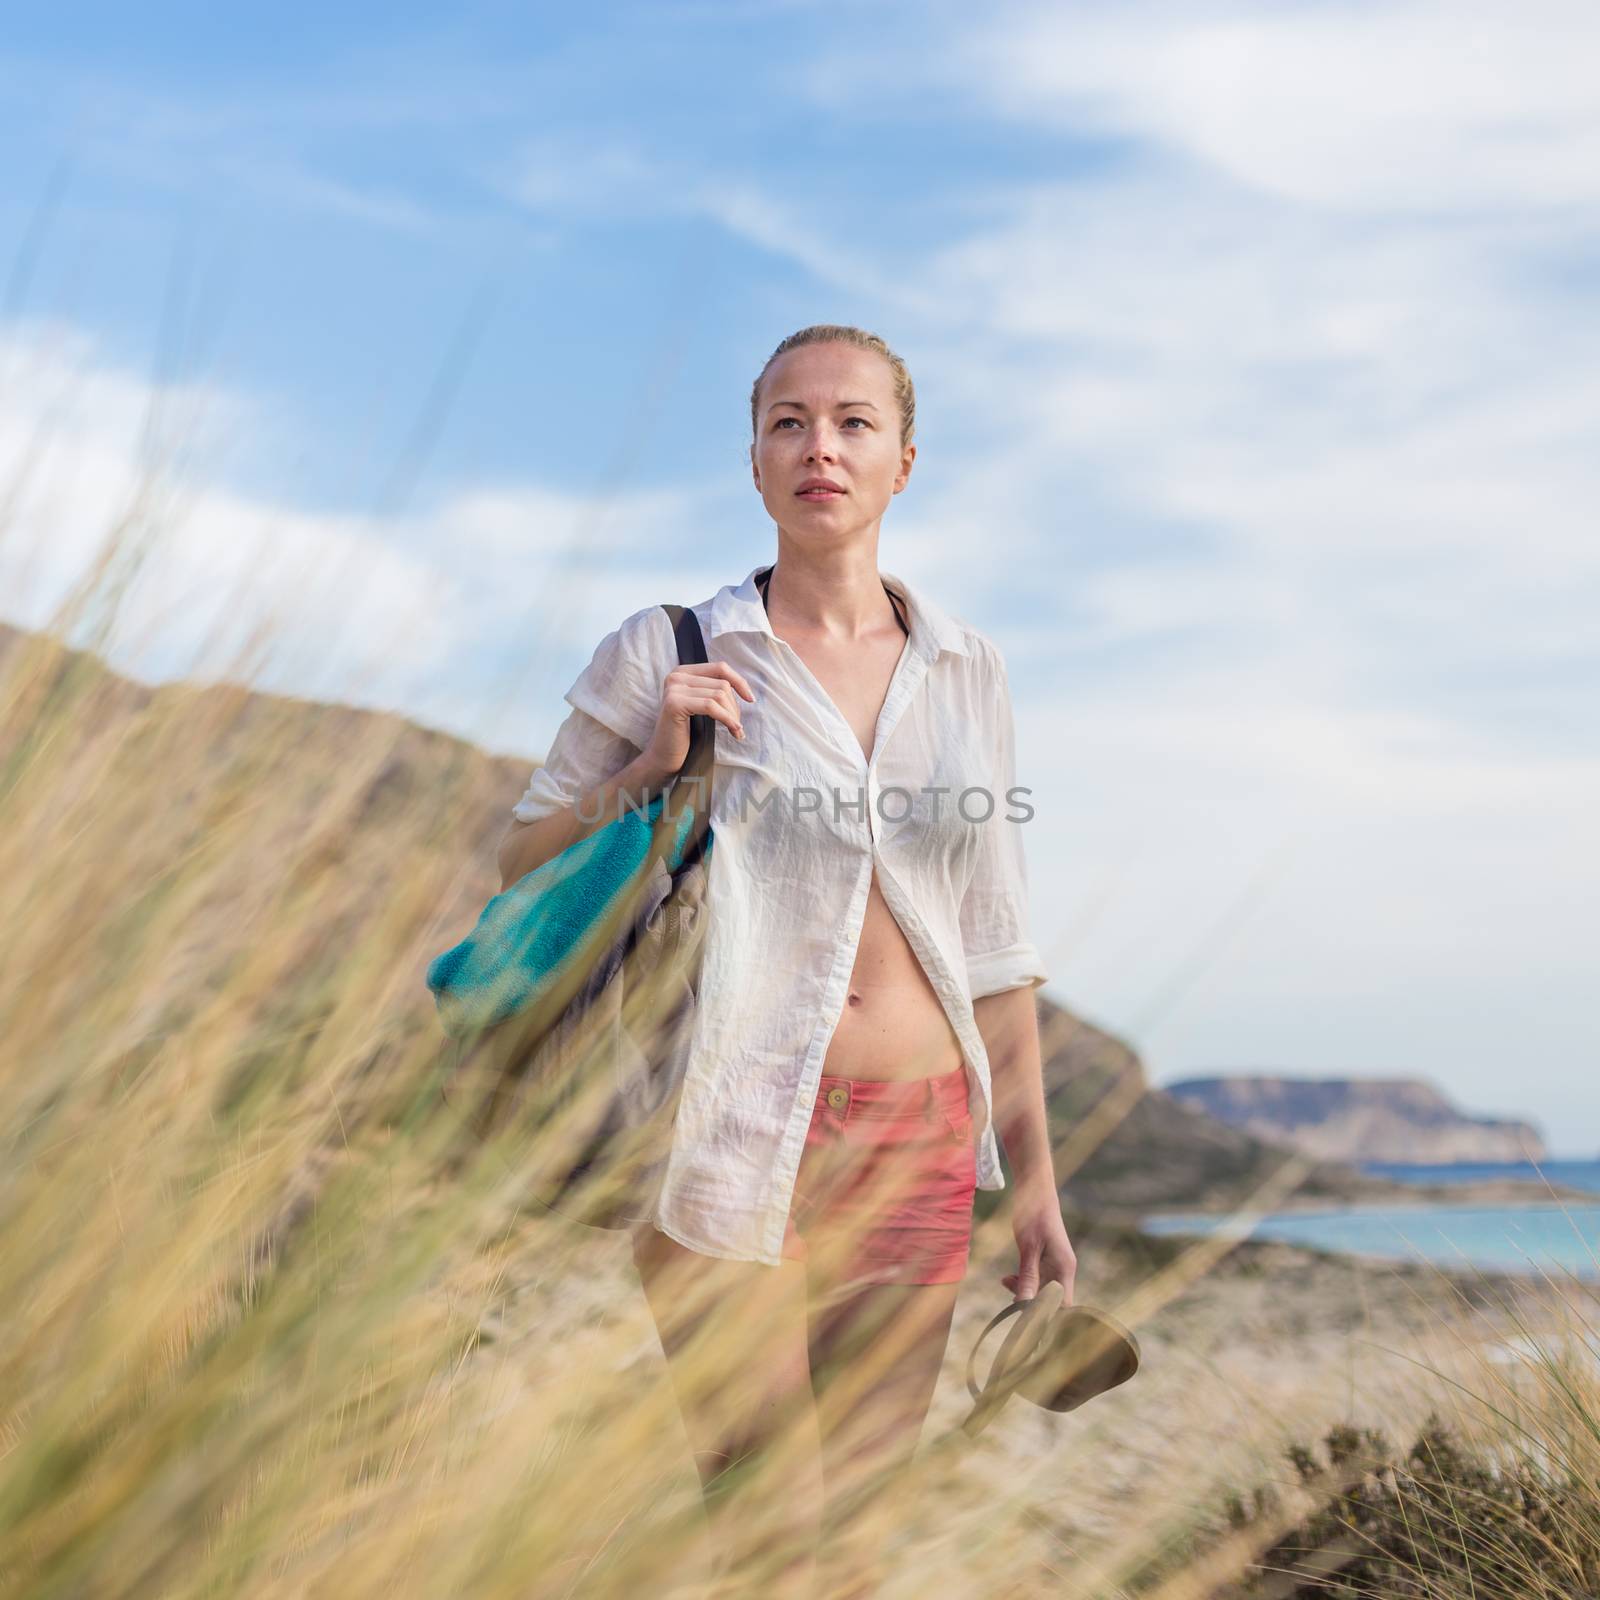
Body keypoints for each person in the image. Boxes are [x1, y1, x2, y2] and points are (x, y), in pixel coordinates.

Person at [498, 325, 1076, 1597]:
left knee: (858, 1541)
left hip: (919, 1133)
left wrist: (1031, 1185)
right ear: (754, 464)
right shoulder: (670, 649)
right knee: (765, 1523)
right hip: (728, 1119)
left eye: (854, 421)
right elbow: (520, 854)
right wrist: (646, 771)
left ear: (903, 462)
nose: (821, 445)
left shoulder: (968, 670)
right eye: (788, 422)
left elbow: (995, 949)